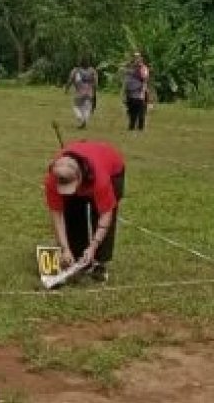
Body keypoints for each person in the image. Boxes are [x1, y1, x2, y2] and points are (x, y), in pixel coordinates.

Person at [44, 139, 126, 283]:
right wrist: (65, 248)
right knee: (72, 212)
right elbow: (57, 215)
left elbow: (105, 215)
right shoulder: (53, 179)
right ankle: (76, 257)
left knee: (99, 213)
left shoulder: (100, 180)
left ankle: (100, 262)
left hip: (112, 169)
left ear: (80, 176)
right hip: (84, 166)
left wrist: (93, 246)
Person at [65, 59, 98, 129]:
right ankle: (84, 120)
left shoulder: (76, 70)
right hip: (89, 92)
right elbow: (95, 83)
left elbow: (70, 80)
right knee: (87, 108)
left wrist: (67, 88)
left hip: (79, 92)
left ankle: (80, 117)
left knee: (76, 106)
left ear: (80, 63)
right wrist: (94, 91)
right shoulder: (92, 71)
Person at [122, 51, 149, 132]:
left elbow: (145, 78)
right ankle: (132, 126)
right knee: (131, 110)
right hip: (130, 92)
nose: (136, 59)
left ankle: (140, 127)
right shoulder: (129, 67)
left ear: (141, 59)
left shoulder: (143, 68)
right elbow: (126, 78)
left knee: (141, 111)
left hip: (139, 92)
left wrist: (143, 91)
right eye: (135, 57)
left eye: (138, 57)